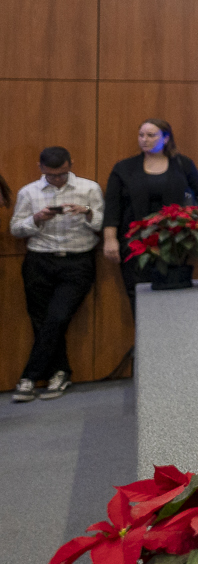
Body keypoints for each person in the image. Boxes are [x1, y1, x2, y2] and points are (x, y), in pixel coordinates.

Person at [10, 147, 103, 402]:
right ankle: (60, 373)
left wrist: (86, 211)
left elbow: (101, 223)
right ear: (40, 168)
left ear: (71, 164)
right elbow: (16, 229)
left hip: (78, 260)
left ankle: (29, 377)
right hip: (39, 260)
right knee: (41, 321)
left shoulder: (89, 188)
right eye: (51, 175)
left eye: (62, 173)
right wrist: (36, 219)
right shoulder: (28, 192)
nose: (57, 179)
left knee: (58, 317)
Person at [103, 119, 198, 304]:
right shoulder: (124, 168)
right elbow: (112, 206)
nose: (144, 140)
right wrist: (110, 239)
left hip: (174, 241)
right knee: (139, 294)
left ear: (166, 139)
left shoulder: (182, 164)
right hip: (134, 241)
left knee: (173, 295)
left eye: (151, 135)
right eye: (141, 135)